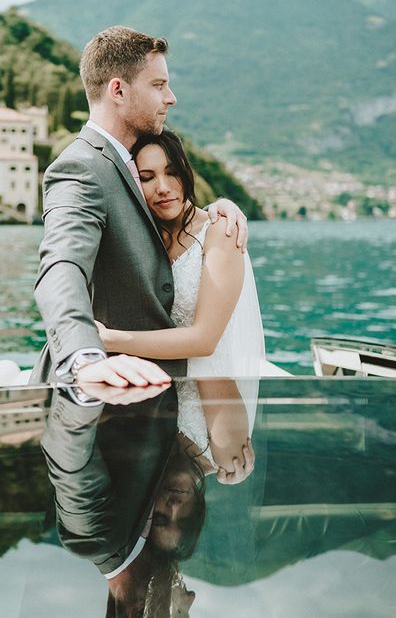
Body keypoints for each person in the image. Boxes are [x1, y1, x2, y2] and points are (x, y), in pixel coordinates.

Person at [31, 25, 249, 396]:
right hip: (102, 395)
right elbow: (61, 267)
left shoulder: (129, 161)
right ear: (118, 90)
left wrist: (215, 210)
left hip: (152, 398)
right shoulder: (80, 167)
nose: (171, 98)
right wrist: (85, 358)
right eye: (158, 85)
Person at [95, 130, 264, 479]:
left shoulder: (220, 231)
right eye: (147, 177)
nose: (163, 186)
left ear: (186, 171)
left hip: (215, 392)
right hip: (161, 395)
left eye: (171, 172)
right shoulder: (144, 237)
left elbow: (204, 340)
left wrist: (108, 340)